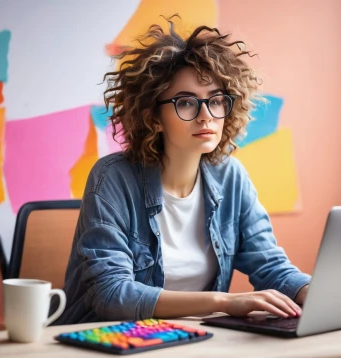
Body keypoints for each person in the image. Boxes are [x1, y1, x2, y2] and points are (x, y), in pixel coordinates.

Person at [54, 19, 311, 325]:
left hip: (192, 341)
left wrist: (319, 294)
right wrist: (223, 302)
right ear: (154, 116)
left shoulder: (231, 177)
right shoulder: (113, 178)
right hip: (105, 340)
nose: (206, 116)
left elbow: (271, 267)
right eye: (186, 103)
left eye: (216, 100)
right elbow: (111, 295)